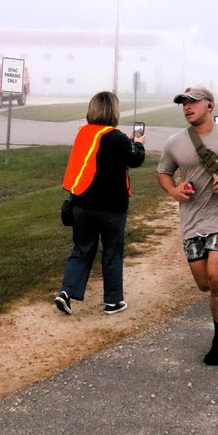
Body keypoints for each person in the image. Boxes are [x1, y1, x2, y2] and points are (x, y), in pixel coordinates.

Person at [157, 85, 218, 366]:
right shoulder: (175, 142)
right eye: (183, 103)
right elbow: (163, 172)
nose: (186, 107)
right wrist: (174, 191)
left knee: (214, 277)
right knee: (205, 285)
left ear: (210, 105)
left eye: (193, 102)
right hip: (191, 221)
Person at [55, 91, 146, 316]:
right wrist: (138, 144)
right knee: (112, 251)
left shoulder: (83, 134)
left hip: (82, 204)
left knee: (82, 249)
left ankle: (66, 292)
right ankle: (113, 301)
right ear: (113, 112)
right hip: (111, 208)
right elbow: (135, 159)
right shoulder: (117, 137)